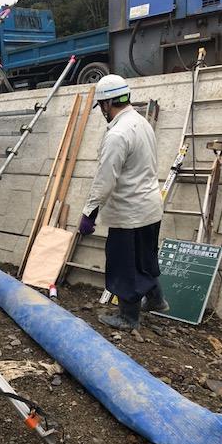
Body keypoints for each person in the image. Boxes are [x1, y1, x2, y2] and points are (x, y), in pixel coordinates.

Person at [79, 75, 169, 331]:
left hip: (129, 211)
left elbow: (105, 180)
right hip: (150, 207)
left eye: (102, 108)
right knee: (145, 259)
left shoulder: (117, 133)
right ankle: (157, 300)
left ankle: (128, 318)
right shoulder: (141, 122)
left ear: (107, 104)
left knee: (124, 264)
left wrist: (89, 213)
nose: (102, 113)